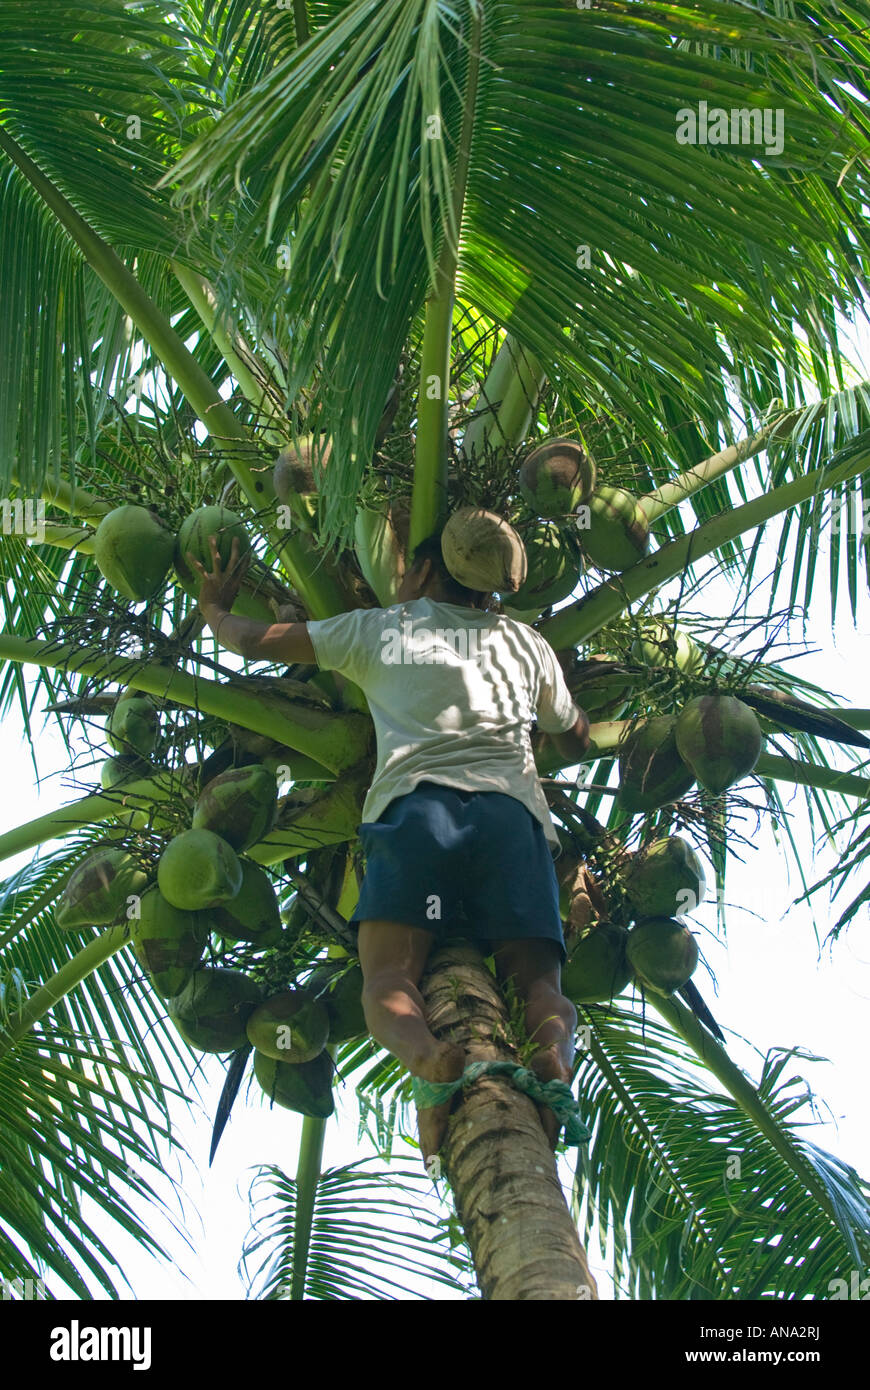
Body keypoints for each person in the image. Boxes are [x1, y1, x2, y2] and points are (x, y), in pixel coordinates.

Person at [189, 531, 591, 1161]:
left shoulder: (384, 628)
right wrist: (565, 738)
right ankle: (553, 1070)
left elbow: (252, 641)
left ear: (428, 568)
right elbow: (574, 734)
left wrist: (214, 607)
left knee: (389, 977)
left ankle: (427, 1055)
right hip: (512, 825)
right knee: (541, 987)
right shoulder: (526, 643)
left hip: (418, 816)